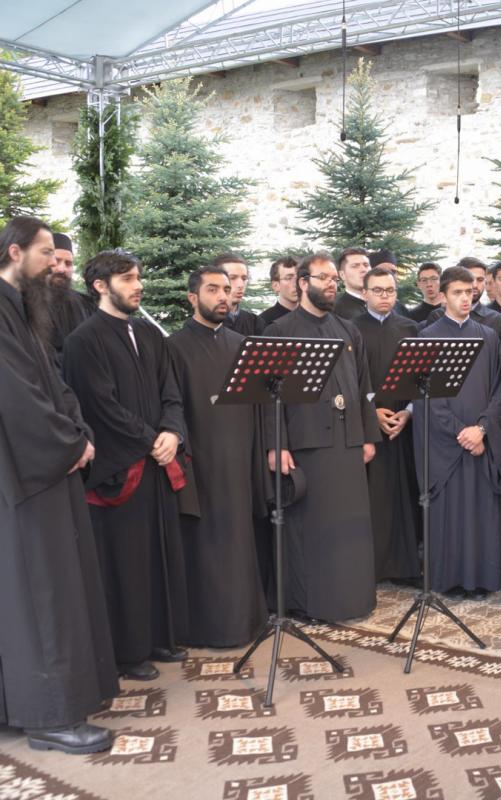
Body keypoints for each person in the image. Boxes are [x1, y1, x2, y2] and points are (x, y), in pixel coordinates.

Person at [0, 216, 116, 753]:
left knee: (31, 591)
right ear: (15, 253)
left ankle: (10, 706)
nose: (54, 263)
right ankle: (49, 719)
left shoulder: (16, 308)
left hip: (36, 468)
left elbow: (52, 382)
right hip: (18, 476)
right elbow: (13, 400)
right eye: (46, 253)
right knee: (37, 593)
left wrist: (80, 431)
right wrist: (68, 446)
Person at [63, 249, 191, 681]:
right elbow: (101, 406)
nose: (138, 286)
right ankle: (129, 651)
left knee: (159, 553)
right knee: (126, 562)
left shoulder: (151, 335)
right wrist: (151, 439)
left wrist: (172, 432)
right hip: (121, 470)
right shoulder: (84, 340)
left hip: (156, 460)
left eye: (138, 277)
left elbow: (172, 392)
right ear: (101, 286)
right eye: (127, 279)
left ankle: (159, 637)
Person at [263, 252, 380, 621]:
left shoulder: (348, 330)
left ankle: (352, 601)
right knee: (311, 530)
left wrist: (367, 436)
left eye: (334, 279)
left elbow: (364, 387)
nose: (332, 284)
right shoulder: (279, 331)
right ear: (302, 284)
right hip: (306, 444)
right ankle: (310, 604)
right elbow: (268, 398)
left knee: (349, 528)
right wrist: (276, 443)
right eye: (323, 278)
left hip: (348, 443)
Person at [167, 265, 268, 647]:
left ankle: (247, 622)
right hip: (201, 463)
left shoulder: (241, 344)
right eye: (213, 289)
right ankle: (207, 628)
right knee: (206, 545)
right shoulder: (173, 347)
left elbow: (258, 408)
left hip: (240, 460)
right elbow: (172, 407)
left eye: (227, 289)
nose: (223, 296)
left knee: (240, 540)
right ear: (193, 297)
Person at [413, 266, 501, 598]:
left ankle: (482, 580)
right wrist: (462, 434)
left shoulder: (489, 336)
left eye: (469, 292)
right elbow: (428, 400)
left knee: (482, 512)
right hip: (448, 446)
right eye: (457, 292)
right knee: (451, 515)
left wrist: (482, 430)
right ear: (442, 296)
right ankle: (450, 580)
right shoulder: (427, 338)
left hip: (482, 442)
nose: (465, 298)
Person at [352, 266, 422, 583]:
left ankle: (405, 567)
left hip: (404, 425)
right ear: (364, 293)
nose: (385, 296)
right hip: (370, 427)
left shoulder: (410, 328)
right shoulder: (351, 329)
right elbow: (350, 379)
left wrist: (408, 411)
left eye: (390, 290)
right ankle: (376, 567)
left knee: (405, 495)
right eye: (378, 290)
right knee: (374, 497)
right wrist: (373, 412)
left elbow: (421, 379)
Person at [424, 257, 501, 338]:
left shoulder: (495, 319)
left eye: (480, 280)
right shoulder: (438, 315)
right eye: (469, 279)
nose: (475, 285)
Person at [48, 232, 94, 359]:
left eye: (68, 263)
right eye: (56, 261)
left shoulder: (87, 304)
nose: (62, 269)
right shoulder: (25, 302)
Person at [215, 253, 264, 335]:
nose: (240, 285)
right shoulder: (206, 322)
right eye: (232, 278)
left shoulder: (255, 322)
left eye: (244, 278)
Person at [258, 256, 300, 327]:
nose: (296, 283)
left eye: (299, 277)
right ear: (276, 286)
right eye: (288, 278)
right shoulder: (263, 322)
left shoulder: (314, 319)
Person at [334, 246, 373, 319]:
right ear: (342, 275)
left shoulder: (384, 304)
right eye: (355, 266)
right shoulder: (336, 312)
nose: (363, 270)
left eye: (366, 265)